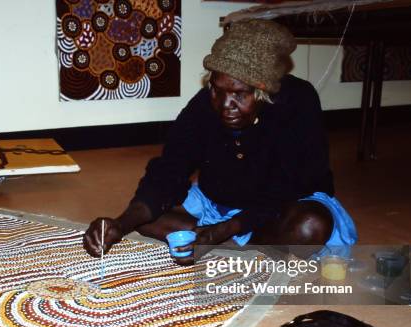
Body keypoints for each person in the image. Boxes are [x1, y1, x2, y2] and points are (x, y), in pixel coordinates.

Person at [83, 19, 357, 264]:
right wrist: (121, 223)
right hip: (217, 204)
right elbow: (169, 169)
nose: (226, 104)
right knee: (146, 216)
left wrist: (226, 229)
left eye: (239, 94)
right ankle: (245, 246)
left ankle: (228, 240)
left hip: (282, 203)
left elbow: (290, 186)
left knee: (309, 228)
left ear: (263, 91)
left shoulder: (298, 102)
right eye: (217, 90)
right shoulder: (204, 105)